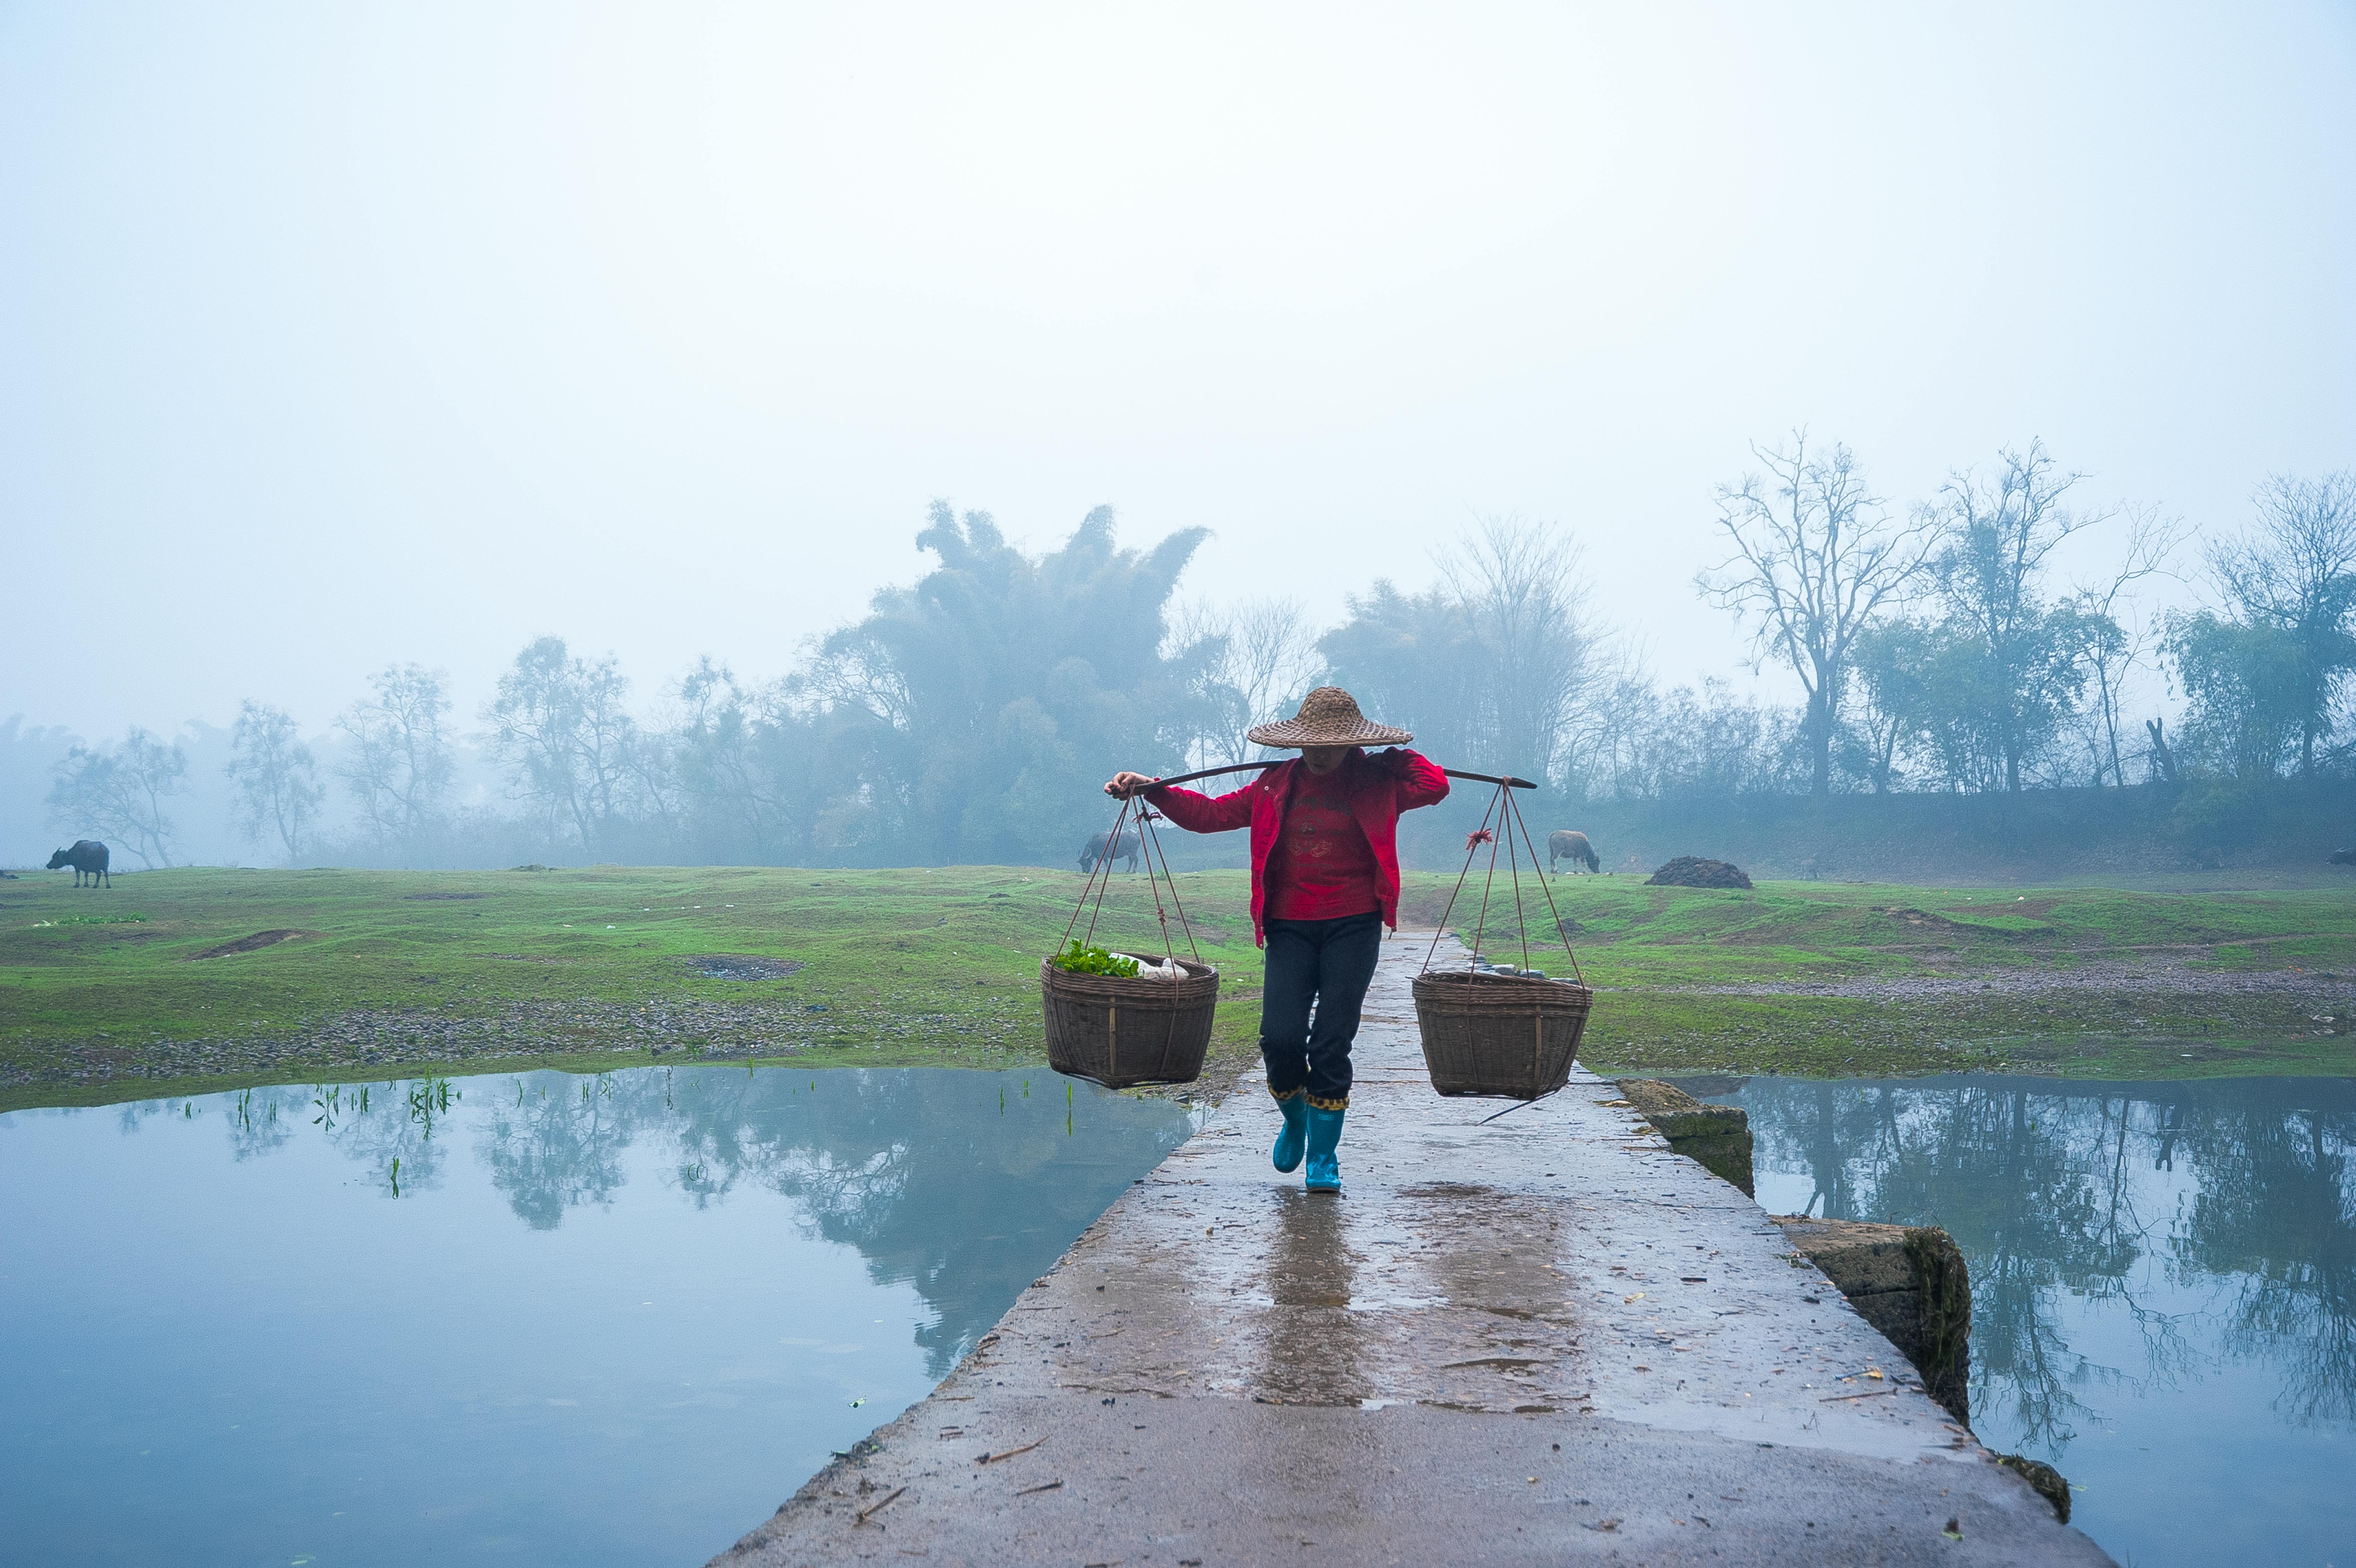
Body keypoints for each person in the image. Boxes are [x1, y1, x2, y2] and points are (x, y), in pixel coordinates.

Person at [1104, 687, 1447, 1194]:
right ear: (1296, 742)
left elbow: (1433, 786)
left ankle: (1324, 1159)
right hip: (1288, 926)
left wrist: (1394, 757)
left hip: (1354, 925)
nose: (1320, 751)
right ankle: (1295, 1120)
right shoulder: (1273, 785)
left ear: (1353, 744)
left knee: (1332, 1040)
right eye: (1311, 741)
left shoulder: (1379, 782)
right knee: (1279, 1038)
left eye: (1333, 742)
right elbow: (1210, 815)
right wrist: (1154, 789)